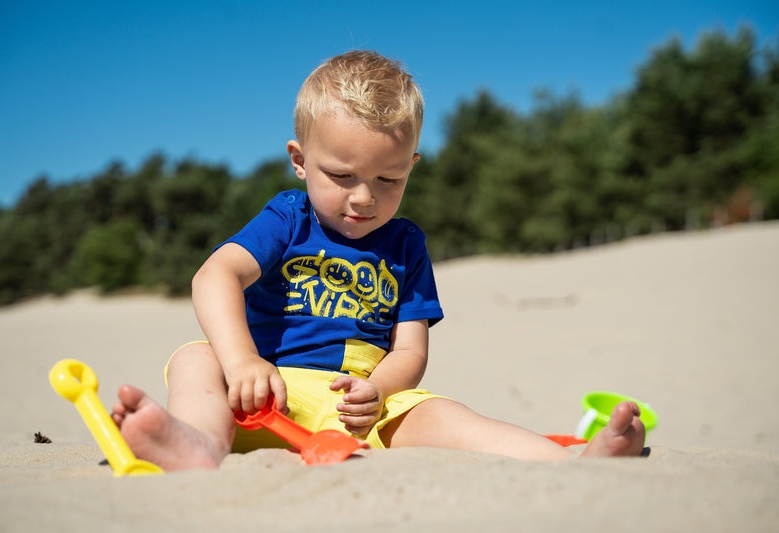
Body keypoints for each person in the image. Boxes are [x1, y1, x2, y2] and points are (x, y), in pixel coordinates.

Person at [112, 50, 645, 470]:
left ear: (411, 166)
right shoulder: (289, 219)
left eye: (389, 179)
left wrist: (381, 391)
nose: (364, 198)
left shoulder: (405, 243)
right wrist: (241, 362)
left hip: (366, 408)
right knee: (193, 359)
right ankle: (196, 444)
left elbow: (410, 349)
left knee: (445, 413)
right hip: (270, 397)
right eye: (342, 176)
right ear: (300, 161)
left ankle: (572, 460)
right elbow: (215, 275)